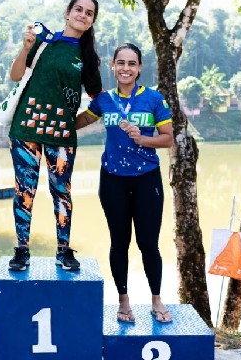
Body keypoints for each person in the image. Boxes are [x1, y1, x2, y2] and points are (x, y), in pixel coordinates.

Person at [76, 43, 174, 323]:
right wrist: (55, 116)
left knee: (148, 244)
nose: (126, 68)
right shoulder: (104, 100)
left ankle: (156, 300)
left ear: (140, 68)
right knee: (119, 243)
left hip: (147, 179)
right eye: (121, 63)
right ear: (113, 66)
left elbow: (168, 138)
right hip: (112, 180)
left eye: (132, 63)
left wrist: (143, 139)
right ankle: (123, 301)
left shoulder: (154, 99)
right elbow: (80, 121)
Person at [7, 0, 103, 272]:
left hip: (62, 137)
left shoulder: (87, 58)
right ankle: (22, 249)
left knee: (62, 193)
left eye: (89, 13)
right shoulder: (44, 41)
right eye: (78, 9)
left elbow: (98, 100)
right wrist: (25, 48)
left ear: (92, 21)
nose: (82, 15)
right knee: (24, 191)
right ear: (68, 13)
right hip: (26, 129)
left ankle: (63, 250)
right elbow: (15, 75)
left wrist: (76, 123)